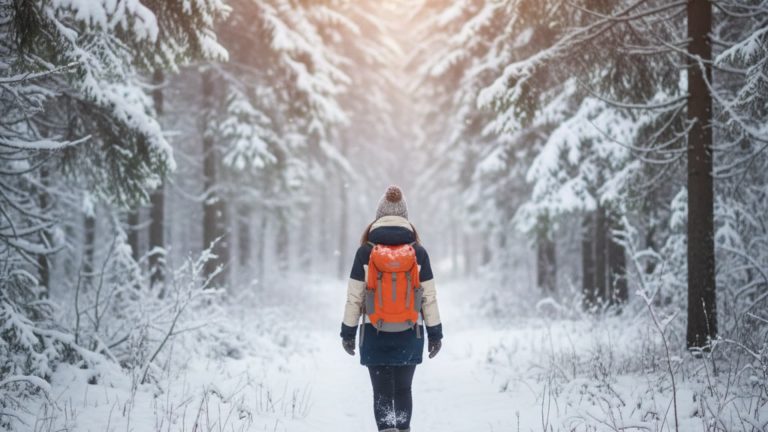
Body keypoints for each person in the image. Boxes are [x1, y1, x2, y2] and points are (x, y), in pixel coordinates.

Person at [340, 185, 443, 432]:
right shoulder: (418, 252)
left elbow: (354, 297)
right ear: (405, 216)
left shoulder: (365, 252)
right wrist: (435, 333)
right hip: (410, 330)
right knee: (403, 389)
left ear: (378, 215)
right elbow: (429, 297)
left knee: (382, 393)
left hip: (374, 330)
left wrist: (347, 333)